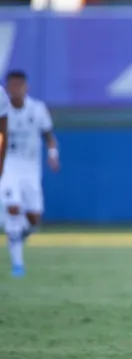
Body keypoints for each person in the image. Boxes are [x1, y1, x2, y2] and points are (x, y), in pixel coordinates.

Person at [0, 70, 60, 277]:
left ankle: (17, 233)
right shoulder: (2, 108)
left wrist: (53, 154)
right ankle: (18, 265)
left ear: (27, 88)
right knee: (13, 208)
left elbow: (48, 135)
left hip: (30, 168)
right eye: (12, 86)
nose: (15, 90)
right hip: (8, 165)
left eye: (19, 86)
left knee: (33, 218)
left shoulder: (37, 109)